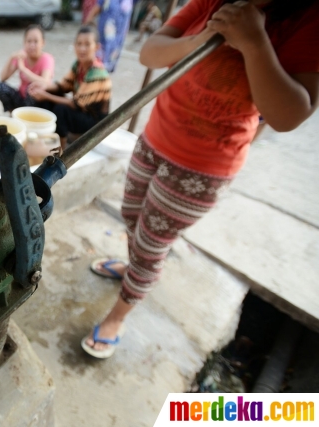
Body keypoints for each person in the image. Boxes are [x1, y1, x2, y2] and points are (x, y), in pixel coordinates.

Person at [83, 0, 319, 359]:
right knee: (132, 216)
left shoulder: (307, 18)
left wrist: (254, 42)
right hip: (155, 139)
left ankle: (119, 314)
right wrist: (206, 36)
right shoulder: (212, 3)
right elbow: (150, 53)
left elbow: (288, 115)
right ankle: (133, 271)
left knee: (150, 244)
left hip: (203, 166)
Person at [28, 26, 111, 150]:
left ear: (96, 47)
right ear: (75, 45)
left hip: (95, 121)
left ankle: (60, 151)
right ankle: (42, 141)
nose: (82, 48)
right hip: (81, 110)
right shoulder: (78, 65)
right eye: (79, 44)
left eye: (87, 44)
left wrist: (45, 94)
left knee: (61, 110)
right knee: (44, 101)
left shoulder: (97, 72)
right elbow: (63, 87)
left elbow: (76, 104)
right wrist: (44, 87)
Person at [0, 25, 55, 113]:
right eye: (29, 41)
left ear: (43, 43)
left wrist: (23, 69)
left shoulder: (47, 59)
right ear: (24, 42)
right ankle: (13, 114)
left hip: (38, 102)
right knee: (0, 87)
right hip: (21, 98)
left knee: (32, 88)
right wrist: (12, 57)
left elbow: (45, 82)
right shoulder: (22, 56)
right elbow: (3, 78)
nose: (32, 45)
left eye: (36, 41)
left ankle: (27, 117)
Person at [84, 0, 134, 72]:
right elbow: (96, 8)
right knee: (96, 64)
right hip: (103, 38)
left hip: (117, 41)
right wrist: (85, 26)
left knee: (108, 67)